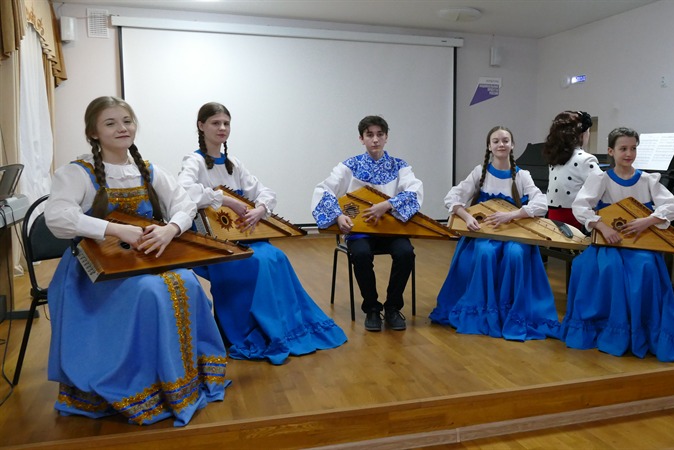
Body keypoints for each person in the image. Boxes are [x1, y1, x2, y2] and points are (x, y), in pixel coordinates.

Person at [44, 96, 229, 426]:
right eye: (110, 123)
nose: (122, 128)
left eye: (127, 121)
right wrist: (115, 230)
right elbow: (57, 217)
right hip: (95, 271)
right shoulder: (77, 173)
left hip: (143, 260)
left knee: (186, 280)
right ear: (93, 132)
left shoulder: (148, 170)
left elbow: (185, 205)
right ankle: (138, 384)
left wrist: (170, 229)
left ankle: (178, 380)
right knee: (151, 291)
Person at [178, 102, 347, 364]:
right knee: (258, 261)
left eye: (226, 123)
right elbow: (184, 191)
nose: (222, 128)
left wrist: (261, 209)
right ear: (201, 126)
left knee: (276, 257)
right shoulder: (195, 161)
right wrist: (225, 199)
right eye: (215, 123)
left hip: (242, 238)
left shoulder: (234, 163)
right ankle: (246, 328)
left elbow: (265, 192)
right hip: (213, 243)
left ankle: (281, 327)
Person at [559, 127, 674, 362]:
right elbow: (580, 206)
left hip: (639, 244)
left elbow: (673, 206)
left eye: (633, 148)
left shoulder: (647, 180)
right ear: (611, 151)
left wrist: (648, 220)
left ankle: (641, 330)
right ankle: (609, 328)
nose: (628, 153)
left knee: (646, 266)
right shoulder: (601, 179)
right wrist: (602, 226)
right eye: (623, 148)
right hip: (608, 244)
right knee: (606, 267)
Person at [429, 126, 560, 341]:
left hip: (514, 232)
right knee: (485, 252)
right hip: (485, 233)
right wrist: (467, 216)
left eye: (505, 140)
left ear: (512, 145)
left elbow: (541, 203)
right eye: (496, 141)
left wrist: (512, 215)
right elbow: (452, 197)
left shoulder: (522, 175)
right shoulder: (479, 172)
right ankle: (483, 312)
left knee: (515, 254)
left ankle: (512, 313)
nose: (501, 144)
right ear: (489, 146)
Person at [311, 115, 422, 332]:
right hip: (360, 230)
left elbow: (414, 190)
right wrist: (337, 216)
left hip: (390, 230)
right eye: (369, 135)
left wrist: (387, 205)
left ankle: (392, 307)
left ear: (386, 137)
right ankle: (371, 307)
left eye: (380, 134)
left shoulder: (400, 166)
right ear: (361, 139)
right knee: (361, 254)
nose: (375, 139)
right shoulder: (349, 166)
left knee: (406, 253)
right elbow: (324, 189)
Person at [542, 111, 602, 229]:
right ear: (581, 134)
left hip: (553, 216)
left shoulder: (554, 158)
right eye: (588, 132)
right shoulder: (586, 159)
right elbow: (602, 188)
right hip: (575, 218)